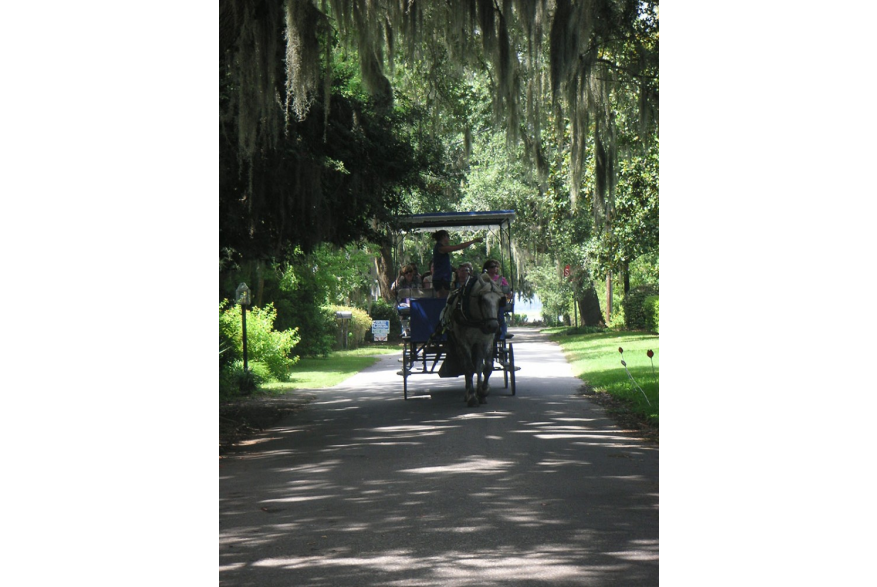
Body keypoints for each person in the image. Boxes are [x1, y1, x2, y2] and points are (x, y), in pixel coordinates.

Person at [432, 230, 483, 298]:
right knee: (442, 299)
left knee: (445, 297)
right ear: (443, 236)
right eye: (448, 237)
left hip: (444, 278)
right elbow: (458, 247)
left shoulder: (439, 248)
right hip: (441, 278)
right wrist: (474, 241)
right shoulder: (440, 248)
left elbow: (442, 264)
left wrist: (455, 269)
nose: (449, 239)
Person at [483, 259, 513, 340]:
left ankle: (503, 333)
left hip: (498, 301)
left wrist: (508, 294)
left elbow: (508, 291)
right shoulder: (483, 278)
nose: (495, 268)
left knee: (500, 316)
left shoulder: (501, 279)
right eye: (493, 267)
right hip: (485, 301)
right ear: (487, 268)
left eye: (496, 267)